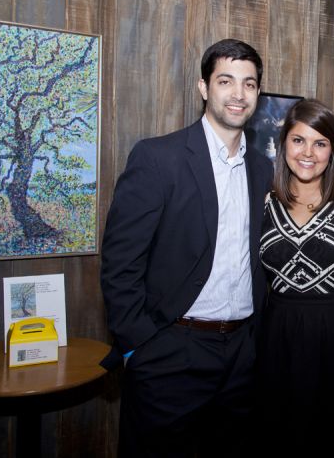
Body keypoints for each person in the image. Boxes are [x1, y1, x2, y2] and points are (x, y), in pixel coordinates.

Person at [100, 39, 273, 457]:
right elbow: (120, 262)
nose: (238, 94)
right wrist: (137, 346)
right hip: (172, 350)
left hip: (242, 355)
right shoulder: (159, 157)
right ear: (203, 87)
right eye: (226, 81)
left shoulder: (263, 167)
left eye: (249, 84)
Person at [258, 99, 334, 457]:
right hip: (279, 339)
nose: (308, 152)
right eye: (298, 141)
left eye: (320, 143)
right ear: (284, 145)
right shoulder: (264, 202)